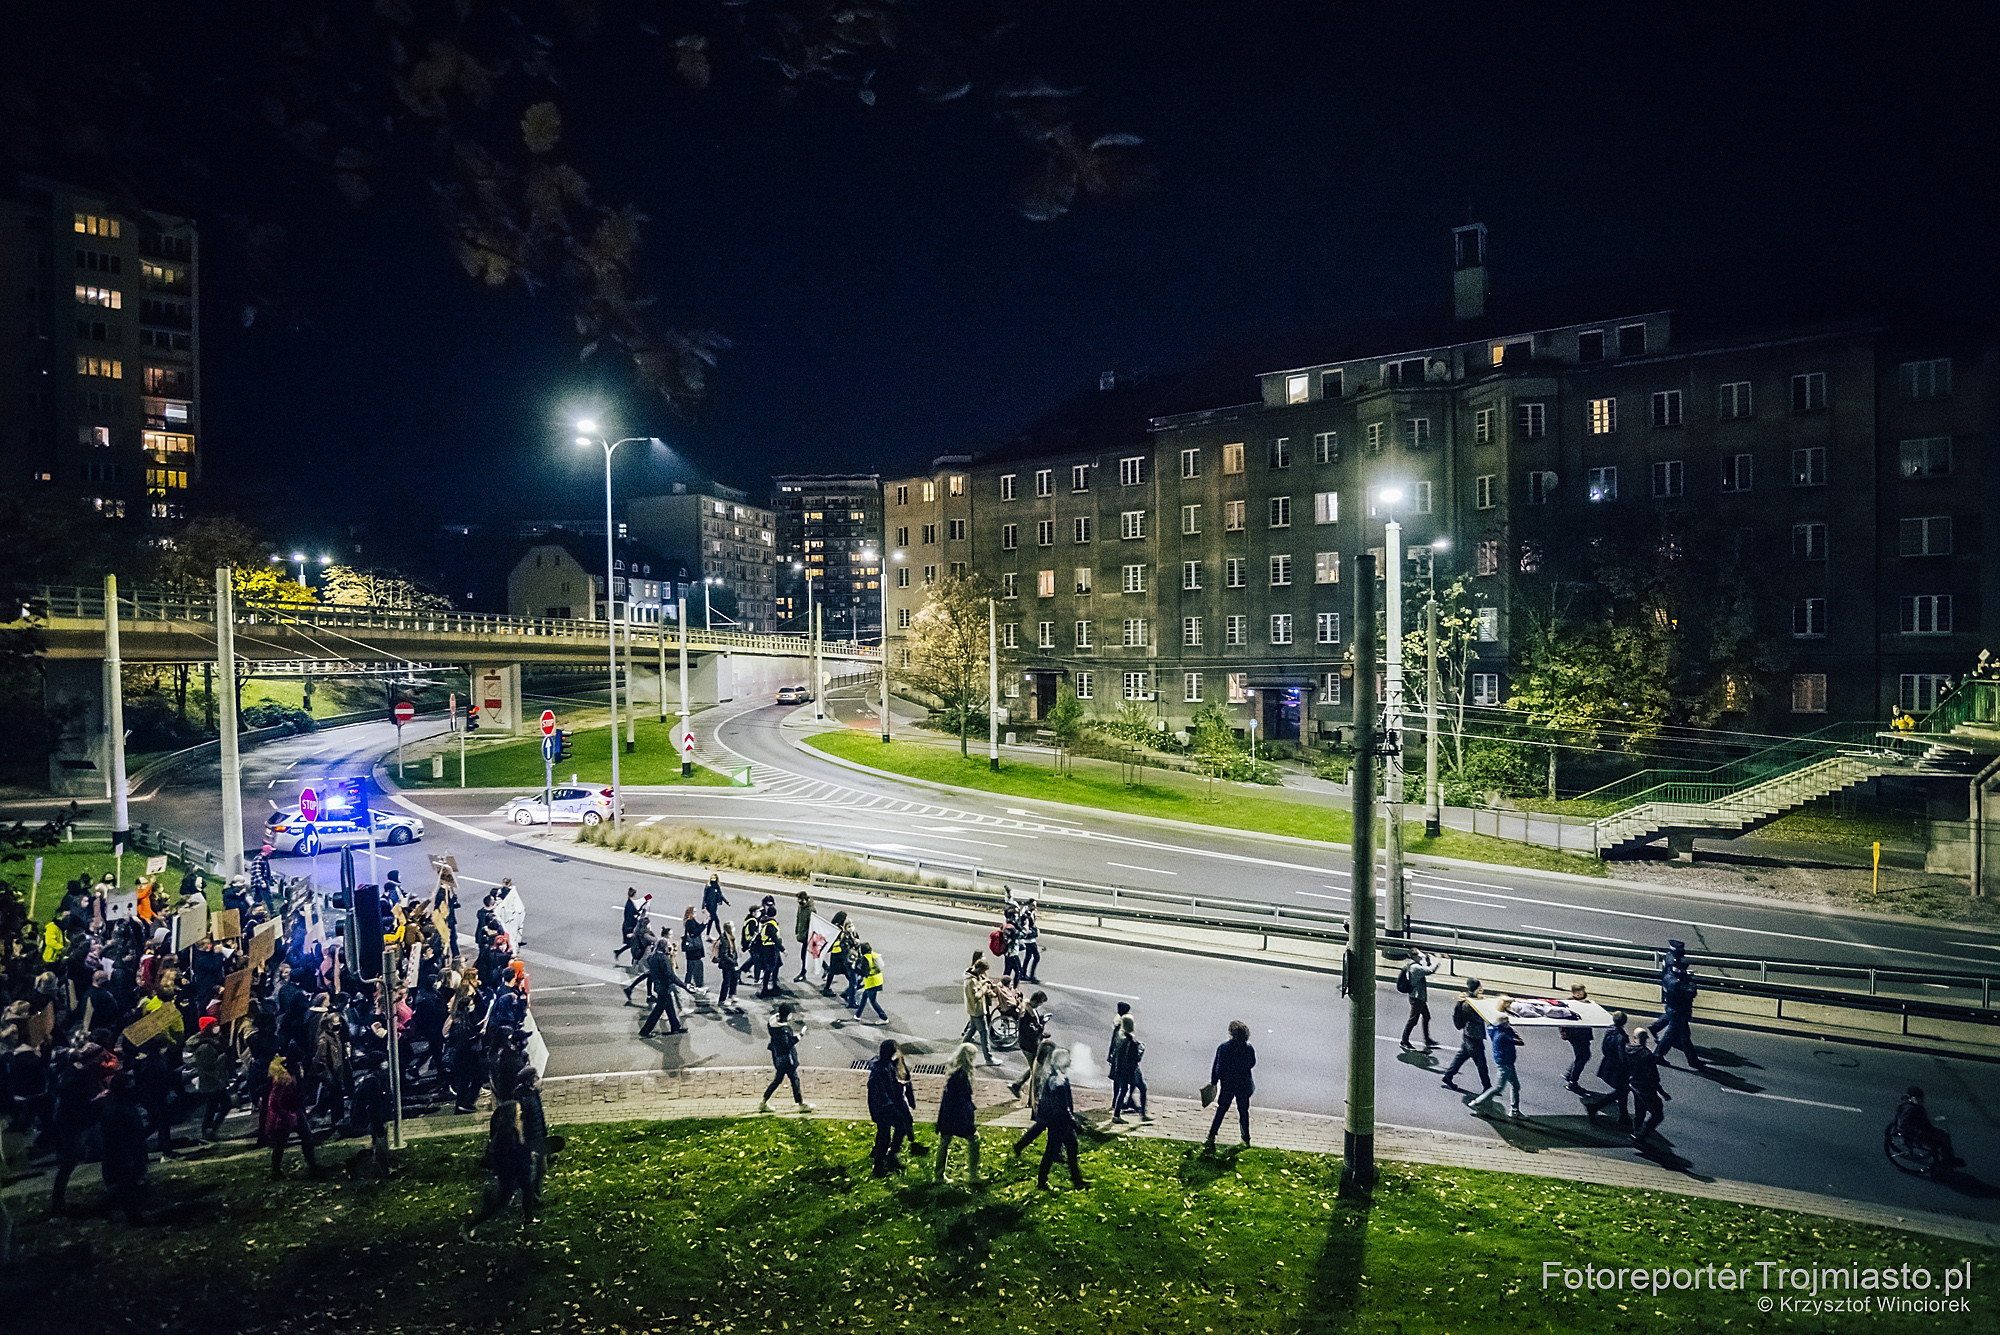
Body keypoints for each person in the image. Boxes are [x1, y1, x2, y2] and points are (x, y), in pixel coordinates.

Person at [461, 1097, 537, 1238]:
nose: (521, 1112)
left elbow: (520, 1149)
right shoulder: (505, 1134)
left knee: (529, 1188)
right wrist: (516, 1167)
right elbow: (504, 1157)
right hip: (510, 1173)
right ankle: (470, 1225)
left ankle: (529, 1219)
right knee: (502, 1202)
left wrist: (528, 1156)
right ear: (512, 1115)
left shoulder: (517, 1128)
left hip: (519, 1170)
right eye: (518, 1110)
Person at [1034, 1047, 1087, 1191]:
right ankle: (1042, 1182)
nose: (1070, 1061)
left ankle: (1077, 1181)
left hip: (1059, 1123)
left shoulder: (1055, 1077)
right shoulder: (1059, 1081)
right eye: (1068, 1059)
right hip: (1059, 1124)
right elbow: (1064, 1107)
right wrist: (1075, 1124)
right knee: (1052, 1151)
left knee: (1071, 1148)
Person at [262, 1054, 321, 1178]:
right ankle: (276, 1170)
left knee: (305, 1138)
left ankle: (312, 1166)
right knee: (282, 1143)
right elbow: (273, 1102)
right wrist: (285, 1115)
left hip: (294, 1111)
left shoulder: (293, 1077)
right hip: (286, 1114)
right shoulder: (282, 1081)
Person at [933, 1042, 982, 1186]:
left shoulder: (954, 1071)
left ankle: (938, 1174)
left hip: (947, 1114)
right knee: (974, 1139)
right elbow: (961, 1100)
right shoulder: (962, 1075)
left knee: (944, 1141)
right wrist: (968, 1115)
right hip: (958, 1116)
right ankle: (973, 1174)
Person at [1205, 1020, 1257, 1151]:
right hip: (1243, 1085)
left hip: (1228, 1085)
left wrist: (1214, 1081)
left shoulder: (1224, 1048)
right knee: (1243, 1112)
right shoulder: (1248, 1048)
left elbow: (1217, 1066)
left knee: (1221, 1110)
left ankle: (1212, 1136)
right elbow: (1252, 1063)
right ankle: (1246, 1138)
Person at [866, 1039, 916, 1176]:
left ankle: (880, 1155)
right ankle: (880, 1165)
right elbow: (882, 1095)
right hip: (883, 1109)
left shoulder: (887, 1066)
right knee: (887, 1134)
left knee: (884, 1132)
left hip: (886, 1107)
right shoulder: (880, 1071)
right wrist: (894, 1110)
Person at [757, 1003, 812, 1113]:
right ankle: (801, 1104)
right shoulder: (783, 1031)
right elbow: (787, 1044)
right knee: (793, 1079)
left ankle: (764, 1102)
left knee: (778, 1080)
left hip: (778, 1056)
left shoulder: (773, 1024)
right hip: (786, 1060)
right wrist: (799, 1036)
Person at [1469, 1012, 1523, 1119]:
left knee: (1515, 1085)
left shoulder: (1499, 1030)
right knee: (1498, 1088)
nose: (1509, 1023)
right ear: (1502, 1023)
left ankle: (1515, 1110)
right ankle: (1477, 1103)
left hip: (1508, 1062)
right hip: (1505, 1063)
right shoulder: (1502, 1035)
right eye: (1506, 1021)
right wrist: (1516, 1036)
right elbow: (1519, 1042)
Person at [1440, 979, 1490, 1095]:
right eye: (1479, 987)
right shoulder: (1469, 1004)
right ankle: (1487, 1087)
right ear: (1476, 988)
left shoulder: (1471, 1000)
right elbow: (1479, 1018)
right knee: (1481, 1063)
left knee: (1461, 1057)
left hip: (1469, 1035)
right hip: (1473, 1036)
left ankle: (1448, 1076)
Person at [1893, 1087, 1964, 1167]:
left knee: (1944, 1135)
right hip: (1918, 1131)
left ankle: (1948, 1157)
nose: (1921, 1100)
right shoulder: (1910, 1109)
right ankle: (1948, 1159)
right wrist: (1919, 1131)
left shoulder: (1910, 1105)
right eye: (1919, 1098)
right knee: (1944, 1138)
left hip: (1920, 1126)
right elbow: (1904, 1125)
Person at [1586, 1011, 1633, 1127]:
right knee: (1623, 1090)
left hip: (1608, 1063)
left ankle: (1624, 1115)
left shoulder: (1609, 1030)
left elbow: (1604, 1048)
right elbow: (1622, 1055)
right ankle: (1595, 1107)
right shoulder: (1622, 1037)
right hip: (1617, 1067)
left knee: (1623, 1090)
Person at [637, 938, 690, 1038]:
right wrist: (683, 985)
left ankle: (675, 1027)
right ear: (664, 947)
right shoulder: (663, 958)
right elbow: (670, 974)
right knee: (658, 1010)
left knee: (670, 1008)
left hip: (658, 986)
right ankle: (645, 1031)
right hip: (664, 987)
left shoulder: (652, 957)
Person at [1627, 1030, 1669, 1145]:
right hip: (1645, 1088)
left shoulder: (1628, 1049)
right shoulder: (1646, 1055)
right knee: (1657, 1114)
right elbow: (1652, 1077)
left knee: (1639, 1111)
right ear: (1645, 1038)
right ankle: (1640, 1136)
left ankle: (1636, 1131)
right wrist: (1661, 1091)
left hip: (1634, 1084)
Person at [1009, 991, 1051, 1097]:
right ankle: (1032, 1096)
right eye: (1040, 1003)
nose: (1040, 1005)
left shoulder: (1029, 1008)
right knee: (1036, 1072)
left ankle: (1017, 1085)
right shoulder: (1027, 1014)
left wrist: (1041, 1020)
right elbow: (1031, 1031)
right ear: (1036, 1001)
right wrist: (1042, 1026)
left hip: (1028, 1043)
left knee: (1034, 1067)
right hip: (1028, 1045)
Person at [1109, 1013, 1149, 1123]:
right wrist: (1140, 1049)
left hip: (1121, 1070)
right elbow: (1136, 1058)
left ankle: (1116, 1115)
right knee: (1143, 1088)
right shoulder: (1130, 1040)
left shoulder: (1120, 1038)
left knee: (1123, 1091)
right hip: (1131, 1071)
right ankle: (1143, 1115)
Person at [1558, 983, 1595, 1093]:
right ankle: (1572, 1081)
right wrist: (1564, 1032)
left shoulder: (1586, 1002)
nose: (1580, 994)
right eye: (1578, 993)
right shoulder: (1570, 1003)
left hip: (1583, 1033)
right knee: (1583, 1056)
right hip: (1575, 1034)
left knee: (1582, 1056)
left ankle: (1570, 1074)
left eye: (1582, 992)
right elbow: (1563, 1018)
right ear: (1573, 993)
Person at [1399, 950, 1439, 1050]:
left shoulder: (1413, 964)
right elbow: (1429, 971)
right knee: (1413, 1020)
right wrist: (1437, 962)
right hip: (1417, 998)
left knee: (1426, 1016)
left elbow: (1425, 968)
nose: (1420, 955)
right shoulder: (1415, 967)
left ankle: (1427, 1040)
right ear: (1413, 956)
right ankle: (1404, 1041)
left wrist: (1428, 960)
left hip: (1419, 997)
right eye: (1418, 954)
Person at [961, 955, 995, 1064]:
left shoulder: (972, 976)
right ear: (979, 969)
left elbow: (976, 986)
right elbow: (975, 996)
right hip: (977, 1010)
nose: (982, 974)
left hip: (973, 1010)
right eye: (982, 971)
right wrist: (984, 989)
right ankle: (988, 1058)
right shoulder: (970, 981)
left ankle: (961, 1050)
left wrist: (984, 982)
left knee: (971, 1030)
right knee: (984, 1034)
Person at [854, 942, 887, 1022]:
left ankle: (884, 1018)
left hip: (872, 982)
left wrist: (854, 968)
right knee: (864, 996)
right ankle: (858, 1015)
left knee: (873, 1001)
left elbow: (863, 972)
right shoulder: (873, 955)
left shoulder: (866, 958)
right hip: (877, 979)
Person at [713, 920, 742, 1009]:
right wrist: (733, 963)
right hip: (727, 964)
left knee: (735, 977)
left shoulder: (729, 937)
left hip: (731, 963)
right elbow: (724, 955)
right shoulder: (725, 940)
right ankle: (722, 1000)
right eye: (732, 927)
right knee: (726, 981)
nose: (734, 928)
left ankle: (732, 995)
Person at [613, 889, 648, 960]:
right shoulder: (630, 905)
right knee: (633, 943)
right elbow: (630, 918)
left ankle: (618, 952)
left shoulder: (630, 903)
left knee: (631, 943)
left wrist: (643, 905)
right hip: (629, 928)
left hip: (630, 927)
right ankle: (634, 957)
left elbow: (636, 912)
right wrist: (629, 932)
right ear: (634, 894)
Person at [494, 878, 526, 950]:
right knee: (513, 929)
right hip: (509, 914)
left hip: (505, 913)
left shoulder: (502, 891)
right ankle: (515, 942)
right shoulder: (510, 892)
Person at [680, 907, 708, 990]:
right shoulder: (689, 922)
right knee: (692, 967)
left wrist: (704, 923)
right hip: (693, 948)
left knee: (692, 967)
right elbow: (695, 932)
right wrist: (703, 925)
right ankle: (691, 983)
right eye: (694, 911)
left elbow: (698, 928)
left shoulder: (692, 920)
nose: (695, 913)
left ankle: (690, 983)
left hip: (693, 948)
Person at [1017, 898, 1042, 982]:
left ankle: (1023, 973)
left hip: (1030, 938)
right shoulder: (1025, 915)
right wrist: (1030, 931)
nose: (1035, 907)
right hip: (1029, 939)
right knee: (1036, 957)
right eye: (1034, 905)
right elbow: (1026, 926)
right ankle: (1031, 976)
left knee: (1028, 956)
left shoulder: (1031, 913)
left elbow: (1033, 924)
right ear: (1029, 905)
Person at [793, 890, 815, 981]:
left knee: (804, 955)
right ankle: (826, 968)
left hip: (808, 936)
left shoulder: (811, 910)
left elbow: (813, 924)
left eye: (800, 899)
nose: (798, 901)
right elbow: (798, 918)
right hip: (803, 934)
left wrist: (808, 935)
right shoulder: (801, 907)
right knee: (814, 954)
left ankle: (803, 973)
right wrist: (797, 929)